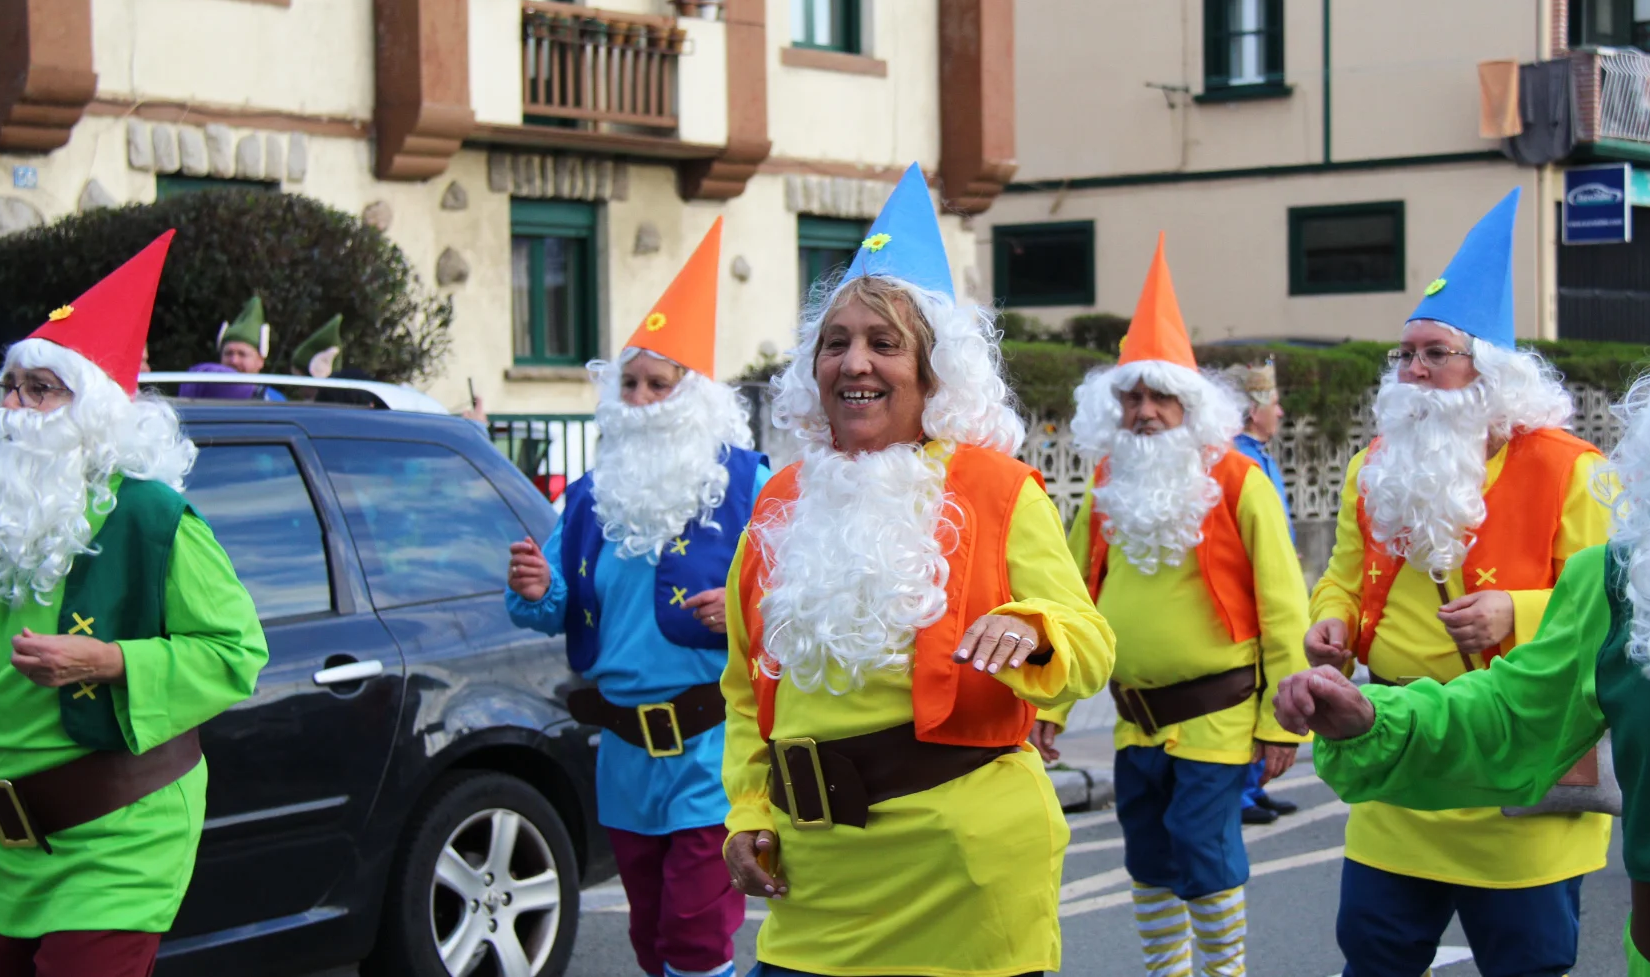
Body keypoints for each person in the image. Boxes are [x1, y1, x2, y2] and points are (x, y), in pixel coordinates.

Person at [1282, 167, 1650, 977]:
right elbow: (1514, 715)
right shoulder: (1628, 579)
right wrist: (1371, 717)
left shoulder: (1568, 467)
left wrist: (1513, 608)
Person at [720, 164, 1115, 977]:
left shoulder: (997, 487)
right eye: (836, 343)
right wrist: (749, 809)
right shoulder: (778, 500)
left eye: (884, 343)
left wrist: (1033, 627)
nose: (854, 362)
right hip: (816, 877)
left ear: (933, 373)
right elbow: (744, 684)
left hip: (961, 868)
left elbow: (1090, 640)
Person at [0, 230, 269, 976]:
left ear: (96, 413)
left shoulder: (152, 519)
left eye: (41, 389)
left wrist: (108, 661)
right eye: (10, 386)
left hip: (116, 839)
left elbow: (236, 652)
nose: (16, 407)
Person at [1302, 188, 1613, 977]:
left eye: (1434, 353)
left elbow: (1615, 603)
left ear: (1490, 373)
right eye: (1404, 354)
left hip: (1516, 759)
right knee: (1374, 957)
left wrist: (1519, 610)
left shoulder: (1574, 471)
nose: (1412, 371)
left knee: (1528, 965)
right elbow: (1342, 574)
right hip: (1396, 750)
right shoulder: (1373, 465)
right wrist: (1332, 621)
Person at [1044, 236, 1310, 977]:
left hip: (1216, 716)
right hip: (1133, 719)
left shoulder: (1238, 481)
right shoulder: (1107, 484)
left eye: (1160, 396)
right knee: (1148, 857)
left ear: (1190, 404)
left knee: (1203, 851)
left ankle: (1223, 973)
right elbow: (1069, 599)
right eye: (1131, 397)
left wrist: (1281, 719)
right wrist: (1051, 704)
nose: (1145, 412)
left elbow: (1283, 604)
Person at [505, 219, 764, 977]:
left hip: (711, 752)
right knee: (650, 938)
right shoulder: (591, 496)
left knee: (694, 935)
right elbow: (554, 606)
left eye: (660, 384)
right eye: (631, 384)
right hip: (622, 755)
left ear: (695, 396)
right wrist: (536, 588)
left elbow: (795, 595)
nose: (642, 399)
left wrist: (744, 609)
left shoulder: (748, 483)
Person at [1223, 356, 1298, 825]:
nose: (1280, 412)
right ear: (1254, 410)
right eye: (1274, 401)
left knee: (1264, 691)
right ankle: (1242, 792)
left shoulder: (1259, 454)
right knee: (1249, 693)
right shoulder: (1240, 460)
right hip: (1249, 596)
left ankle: (1253, 785)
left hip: (1272, 582)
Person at [212, 295, 283, 400]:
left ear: (260, 361)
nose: (234, 361)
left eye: (242, 354)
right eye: (228, 353)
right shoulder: (203, 395)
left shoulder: (273, 401)